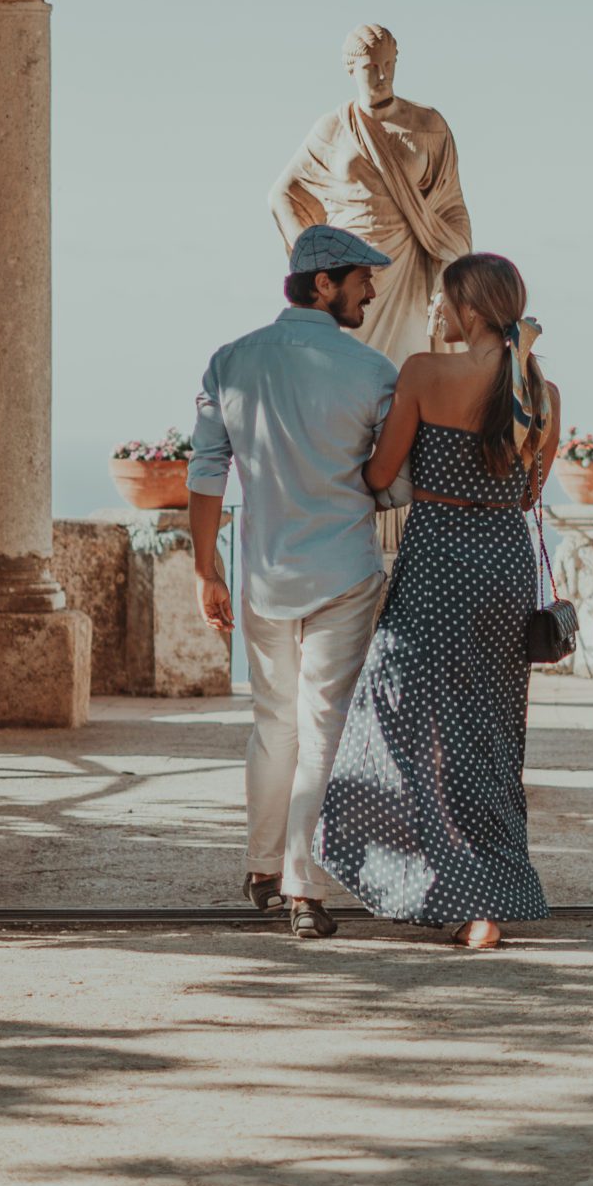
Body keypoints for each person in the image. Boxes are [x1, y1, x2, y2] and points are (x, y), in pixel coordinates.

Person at [315, 251, 559, 949]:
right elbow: (530, 490)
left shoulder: (424, 372)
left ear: (471, 310)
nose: (437, 313)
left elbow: (379, 473)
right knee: (489, 733)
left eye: (445, 302)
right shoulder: (543, 391)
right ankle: (493, 895)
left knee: (402, 723)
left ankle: (445, 885)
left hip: (438, 562)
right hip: (505, 569)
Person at [188, 225, 404, 941]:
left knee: (273, 721)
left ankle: (260, 864)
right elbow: (393, 483)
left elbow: (207, 473)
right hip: (343, 568)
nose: (371, 291)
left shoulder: (230, 360)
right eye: (361, 279)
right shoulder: (374, 372)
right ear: (322, 283)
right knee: (322, 727)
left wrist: (203, 569)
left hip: (261, 572)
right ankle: (302, 888)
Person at [268, 24, 472, 369]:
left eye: (388, 64)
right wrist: (313, 258)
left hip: (411, 267)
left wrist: (449, 271)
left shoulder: (428, 124)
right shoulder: (332, 127)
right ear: (351, 70)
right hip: (352, 270)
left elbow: (452, 207)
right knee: (344, 367)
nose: (382, 75)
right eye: (370, 67)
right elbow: (282, 194)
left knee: (407, 368)